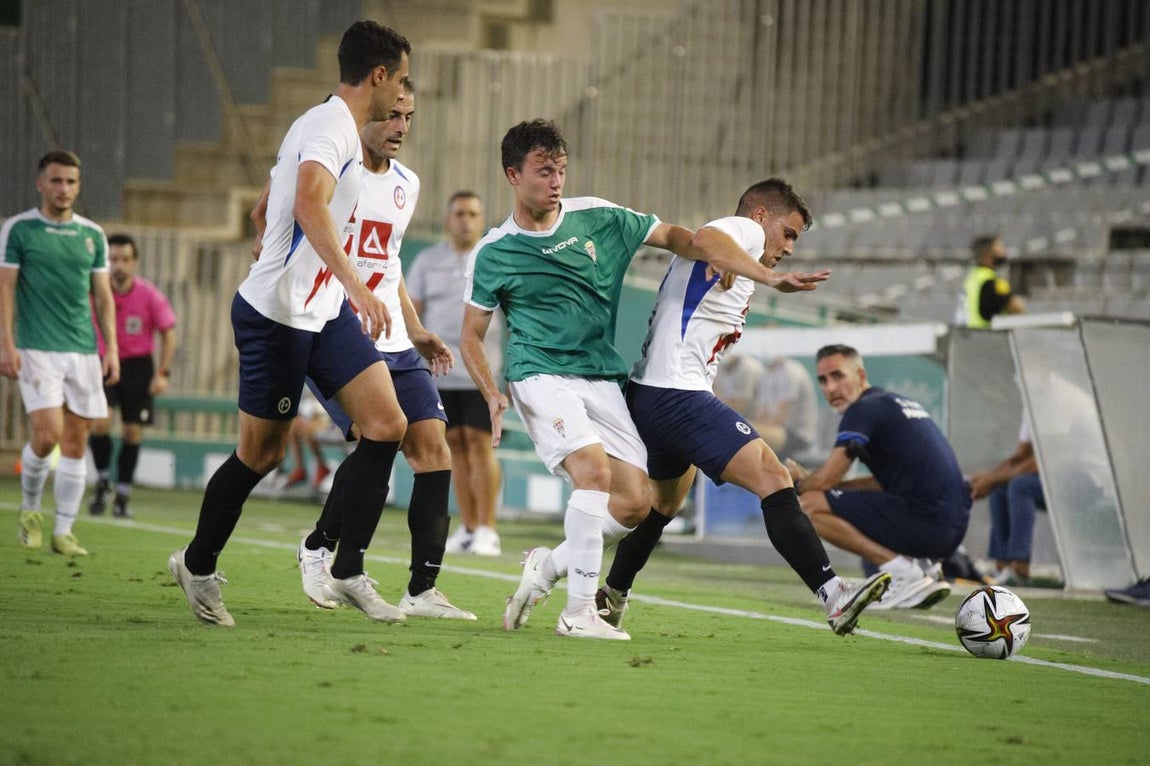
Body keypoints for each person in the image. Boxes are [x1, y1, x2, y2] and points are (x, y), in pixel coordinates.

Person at [460, 120, 829, 640]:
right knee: (593, 472)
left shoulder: (599, 217)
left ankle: (547, 566)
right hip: (538, 372)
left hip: (599, 375)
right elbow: (471, 335)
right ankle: (579, 612)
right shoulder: (494, 251)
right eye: (544, 172)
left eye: (561, 170)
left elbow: (677, 237)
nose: (556, 181)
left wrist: (716, 254)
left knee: (636, 503)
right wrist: (491, 391)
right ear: (513, 175)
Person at [168, 20, 413, 627]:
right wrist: (355, 284)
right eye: (401, 80)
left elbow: (267, 203)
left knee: (387, 424)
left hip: (321, 313)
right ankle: (197, 565)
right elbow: (306, 202)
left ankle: (345, 568)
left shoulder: (323, 123)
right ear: (379, 75)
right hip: (277, 316)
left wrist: (268, 235)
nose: (402, 94)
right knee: (262, 454)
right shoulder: (332, 127)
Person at [596, 179, 890, 636]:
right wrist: (768, 275)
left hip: (652, 392)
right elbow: (708, 237)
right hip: (676, 393)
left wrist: (737, 263)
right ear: (760, 216)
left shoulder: (737, 254)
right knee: (773, 477)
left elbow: (711, 248)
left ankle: (608, 594)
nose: (789, 248)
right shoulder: (745, 231)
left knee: (661, 504)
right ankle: (834, 594)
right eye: (788, 233)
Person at [294, 85, 476, 621]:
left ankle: (422, 590)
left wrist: (415, 329)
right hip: (335, 330)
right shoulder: (333, 172)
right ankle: (322, 547)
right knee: (379, 436)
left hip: (394, 339)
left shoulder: (406, 184)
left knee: (433, 449)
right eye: (392, 115)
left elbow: (389, 263)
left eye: (409, 117)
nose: (400, 127)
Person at [786, 344, 970, 609]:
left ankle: (904, 573)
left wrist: (799, 481)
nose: (831, 388)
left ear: (860, 376)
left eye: (838, 376)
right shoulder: (891, 403)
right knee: (832, 498)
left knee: (808, 505)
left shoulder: (862, 410)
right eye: (823, 380)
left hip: (928, 521)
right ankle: (922, 567)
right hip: (951, 528)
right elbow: (877, 483)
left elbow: (826, 481)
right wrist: (827, 487)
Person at [1, 150, 120, 558]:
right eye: (56, 180)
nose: (63, 189)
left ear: (78, 186)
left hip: (82, 351)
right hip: (36, 347)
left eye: (70, 182)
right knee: (47, 434)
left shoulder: (92, 235)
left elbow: (103, 297)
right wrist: (6, 343)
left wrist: (110, 348)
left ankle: (64, 530)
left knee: (75, 441)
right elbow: (5, 288)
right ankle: (31, 510)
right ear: (41, 183)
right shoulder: (19, 230)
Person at [408, 191, 503, 557]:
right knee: (455, 447)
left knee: (479, 443)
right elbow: (412, 313)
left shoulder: (494, 259)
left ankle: (488, 529)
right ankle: (468, 527)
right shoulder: (427, 262)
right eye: (460, 213)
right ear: (448, 219)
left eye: (473, 214)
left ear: (482, 221)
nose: (466, 220)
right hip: (438, 371)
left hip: (480, 371)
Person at [87, 233, 176, 519]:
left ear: (134, 262)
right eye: (113, 259)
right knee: (100, 421)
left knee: (131, 430)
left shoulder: (149, 295)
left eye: (125, 259)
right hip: (103, 362)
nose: (119, 265)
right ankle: (103, 481)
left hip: (138, 366)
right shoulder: (94, 293)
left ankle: (123, 494)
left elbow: (169, 334)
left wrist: (162, 373)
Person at [968, 416, 1045, 586]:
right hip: (1050, 477)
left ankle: (1020, 568)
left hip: (1081, 476)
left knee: (1021, 485)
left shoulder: (1057, 405)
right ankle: (1002, 567)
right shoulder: (1029, 410)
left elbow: (1045, 459)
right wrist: (991, 478)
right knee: (1000, 487)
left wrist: (991, 479)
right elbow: (1021, 456)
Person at [752, 355, 819, 462]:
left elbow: (780, 417)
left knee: (745, 432)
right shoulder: (766, 374)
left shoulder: (791, 371)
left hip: (798, 437)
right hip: (777, 431)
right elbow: (760, 414)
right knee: (744, 429)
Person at [954, 235, 1025, 328]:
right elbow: (1017, 308)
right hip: (982, 333)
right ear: (988, 254)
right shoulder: (995, 283)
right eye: (1000, 248)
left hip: (963, 332)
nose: (1004, 252)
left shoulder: (971, 277)